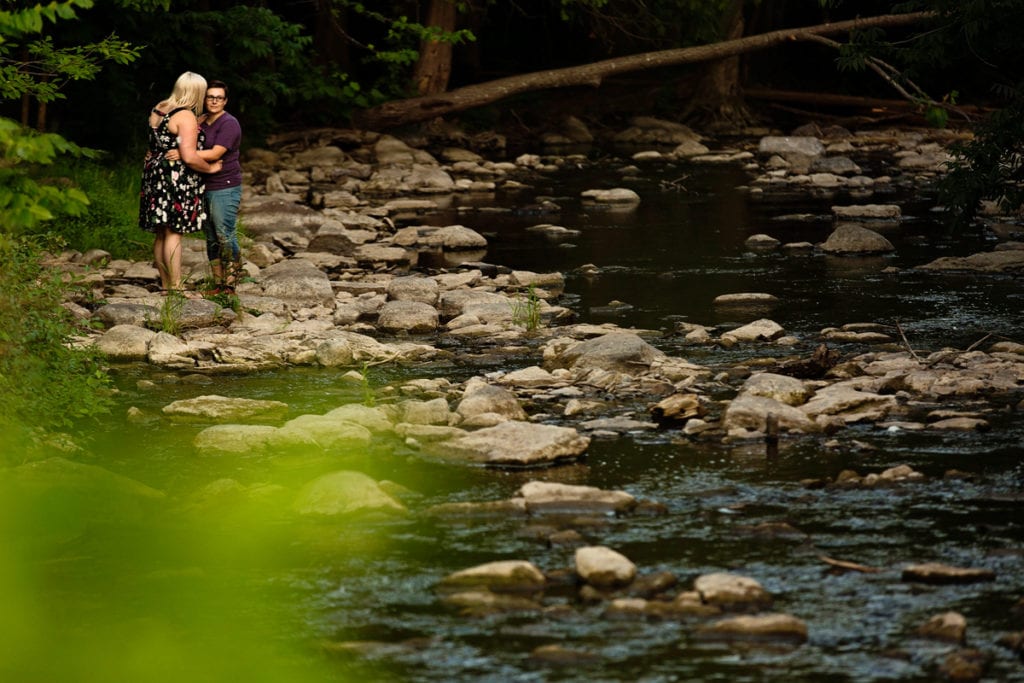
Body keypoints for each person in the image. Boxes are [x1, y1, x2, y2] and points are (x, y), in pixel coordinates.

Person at [138, 71, 223, 296]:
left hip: (154, 173)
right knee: (174, 233)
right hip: (174, 177)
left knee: (161, 233)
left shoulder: (160, 107)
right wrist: (211, 168)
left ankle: (166, 284)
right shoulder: (184, 116)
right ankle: (176, 286)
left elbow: (159, 142)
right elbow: (190, 156)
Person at [196, 80, 243, 293]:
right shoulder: (201, 121)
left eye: (219, 97)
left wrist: (185, 154)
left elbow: (215, 153)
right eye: (210, 97)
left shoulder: (229, 123)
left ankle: (231, 283)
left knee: (225, 234)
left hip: (224, 185)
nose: (214, 101)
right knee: (211, 236)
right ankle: (218, 283)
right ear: (204, 99)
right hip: (202, 184)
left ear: (225, 101)